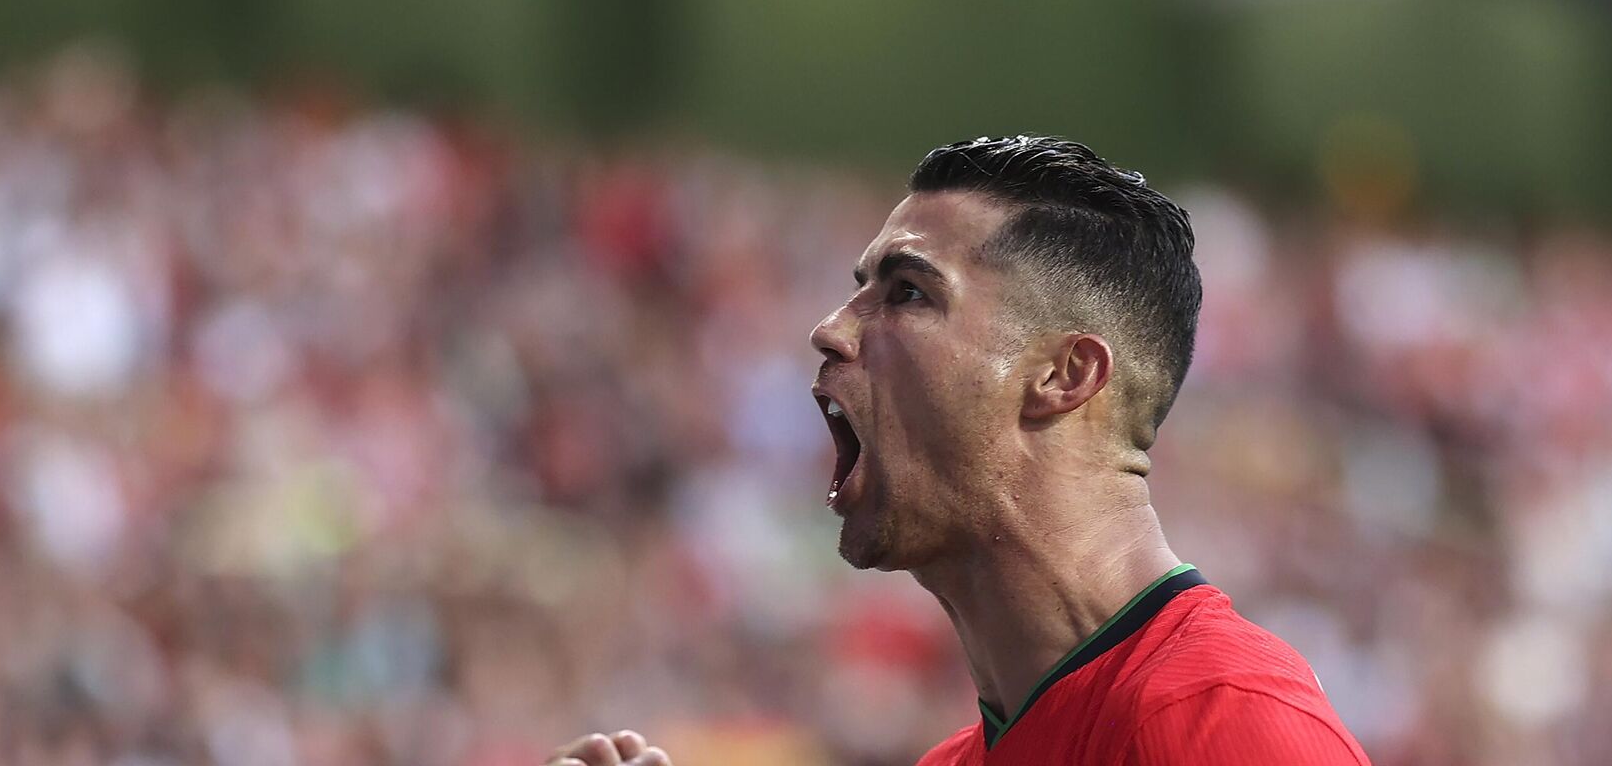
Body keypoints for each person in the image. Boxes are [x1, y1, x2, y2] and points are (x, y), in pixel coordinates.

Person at [544, 135, 1371, 765]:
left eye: (907, 292)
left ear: (1062, 374)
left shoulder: (1219, 724)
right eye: (859, 286)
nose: (830, 327)